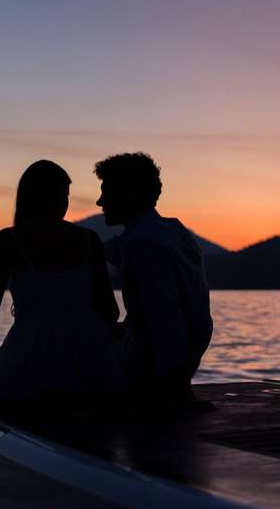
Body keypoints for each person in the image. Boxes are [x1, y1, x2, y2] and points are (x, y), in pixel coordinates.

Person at [0, 160, 126, 406]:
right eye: (65, 196)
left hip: (30, 360)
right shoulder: (88, 240)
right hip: (89, 361)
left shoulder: (8, 240)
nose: (65, 203)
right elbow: (110, 310)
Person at [94, 152, 212, 408]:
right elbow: (110, 249)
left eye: (107, 192)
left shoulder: (143, 245)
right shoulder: (173, 231)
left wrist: (178, 392)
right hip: (179, 361)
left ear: (129, 193)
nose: (99, 201)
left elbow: (167, 321)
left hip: (154, 374)